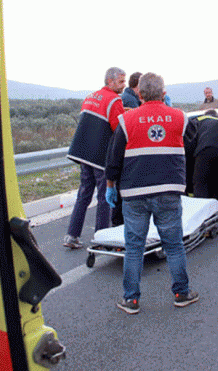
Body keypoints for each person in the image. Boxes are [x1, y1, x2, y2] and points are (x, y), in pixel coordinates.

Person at [105, 72, 198, 314]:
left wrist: (110, 187)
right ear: (164, 93)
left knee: (134, 247)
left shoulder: (126, 120)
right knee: (174, 245)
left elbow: (113, 159)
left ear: (139, 93)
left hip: (134, 193)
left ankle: (131, 300)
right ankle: (182, 293)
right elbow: (190, 141)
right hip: (168, 191)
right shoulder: (180, 118)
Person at [63, 67, 126, 249]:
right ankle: (101, 238)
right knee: (104, 197)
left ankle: (71, 235)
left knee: (83, 194)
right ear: (110, 81)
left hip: (83, 154)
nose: (123, 85)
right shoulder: (114, 100)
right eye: (121, 81)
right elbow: (118, 129)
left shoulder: (91, 96)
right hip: (100, 156)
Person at [184, 109, 218, 202]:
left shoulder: (199, 122)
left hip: (204, 152)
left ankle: (200, 207)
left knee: (200, 182)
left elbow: (191, 144)